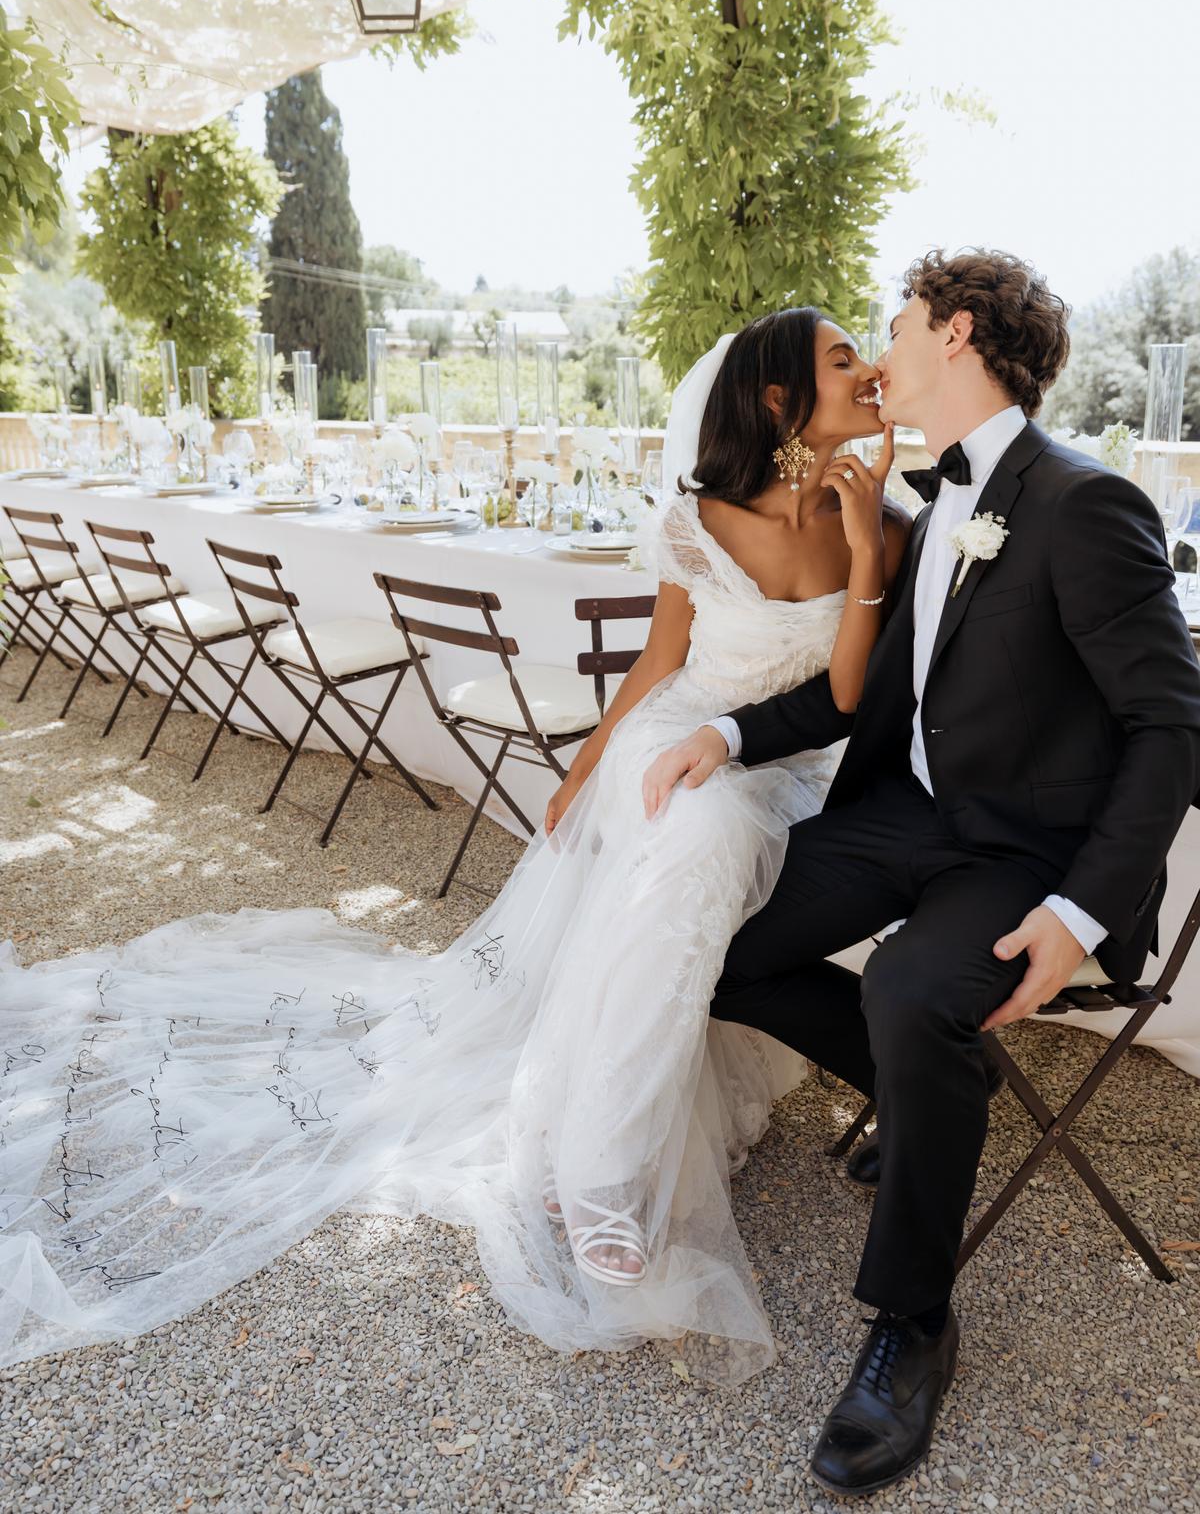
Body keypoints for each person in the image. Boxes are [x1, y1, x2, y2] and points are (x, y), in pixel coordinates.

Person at [0, 306, 903, 1379]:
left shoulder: (885, 523)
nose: (871, 372)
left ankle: (600, 1149)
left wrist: (859, 547)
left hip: (778, 761)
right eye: (845, 358)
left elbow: (847, 694)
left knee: (703, 852)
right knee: (688, 827)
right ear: (775, 399)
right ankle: (605, 1170)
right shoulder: (701, 516)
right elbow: (661, 665)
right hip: (675, 736)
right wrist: (585, 768)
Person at [642, 247, 1200, 1493]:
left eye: (893, 327)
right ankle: (930, 1088)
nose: (880, 352)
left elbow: (1174, 727)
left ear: (954, 334)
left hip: (1034, 856)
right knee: (712, 942)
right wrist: (722, 735)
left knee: (907, 991)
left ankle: (912, 1325)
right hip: (916, 819)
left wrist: (1078, 910)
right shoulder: (928, 503)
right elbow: (871, 699)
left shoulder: (1087, 503)